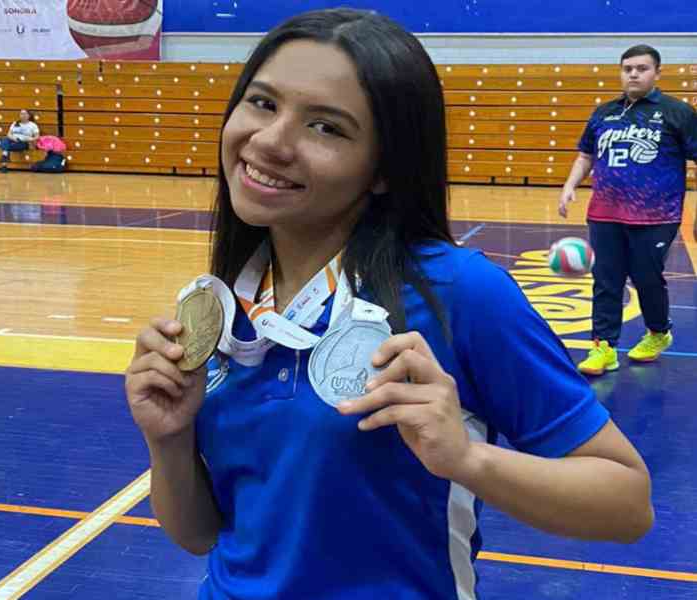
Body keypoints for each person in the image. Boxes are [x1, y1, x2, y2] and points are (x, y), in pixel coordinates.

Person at [126, 10, 654, 599]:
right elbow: (200, 536)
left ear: (383, 170)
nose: (270, 141)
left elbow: (627, 502)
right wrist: (168, 441)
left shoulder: (457, 292)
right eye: (263, 103)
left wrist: (466, 460)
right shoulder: (224, 303)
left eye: (326, 128)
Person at [560, 45, 697, 376]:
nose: (633, 74)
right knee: (605, 280)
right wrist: (569, 186)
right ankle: (603, 348)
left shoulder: (677, 112)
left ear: (657, 73)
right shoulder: (604, 112)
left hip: (656, 216)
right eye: (627, 68)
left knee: (646, 278)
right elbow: (586, 155)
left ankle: (658, 332)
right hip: (604, 213)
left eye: (641, 68)